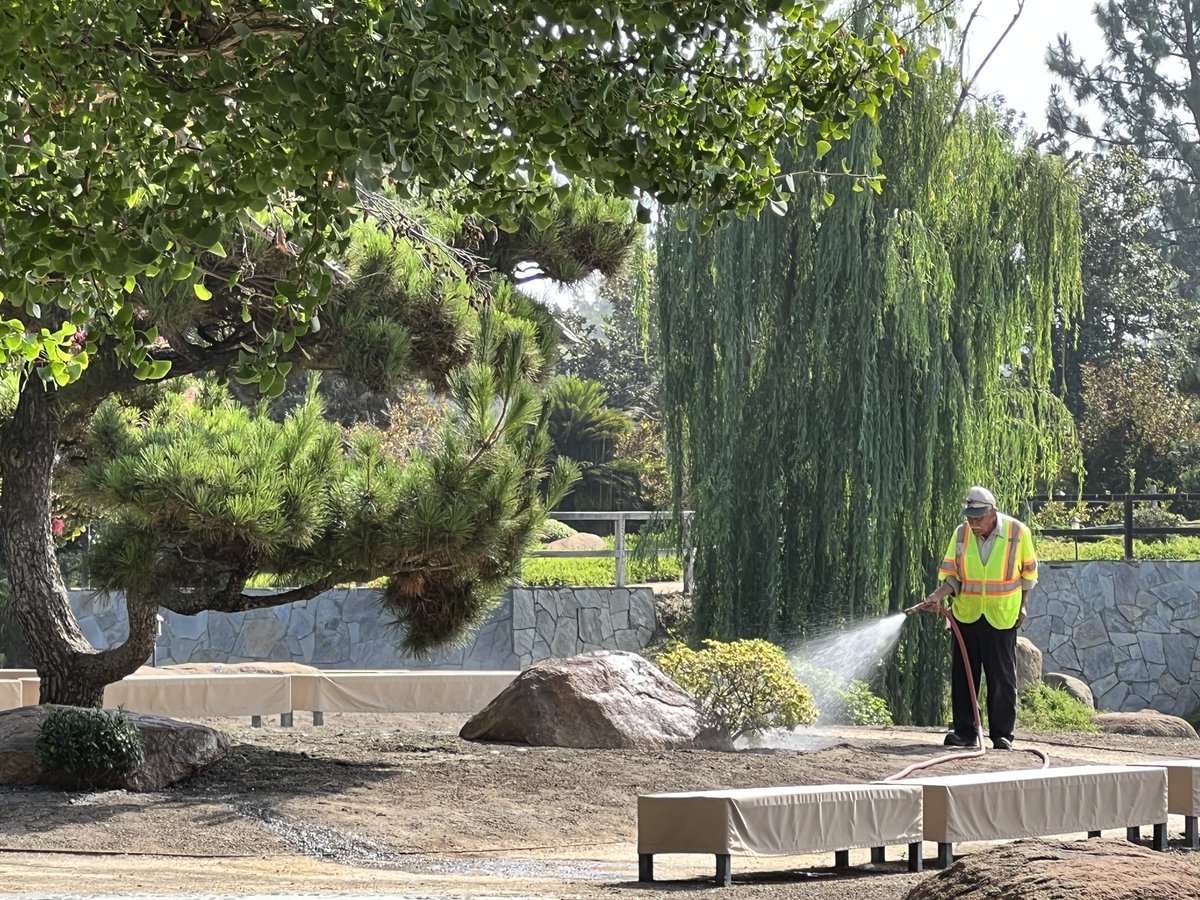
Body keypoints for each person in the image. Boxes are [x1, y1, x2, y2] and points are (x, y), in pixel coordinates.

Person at [920, 486, 1038, 751]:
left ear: (992, 512)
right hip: (966, 615)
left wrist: (1023, 606)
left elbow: (1029, 574)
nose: (972, 523)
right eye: (969, 517)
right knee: (963, 676)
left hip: (1001, 615)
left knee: (1002, 677)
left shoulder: (1018, 533)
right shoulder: (961, 534)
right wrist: (937, 596)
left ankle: (1002, 735)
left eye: (977, 518)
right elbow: (952, 574)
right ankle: (965, 732)